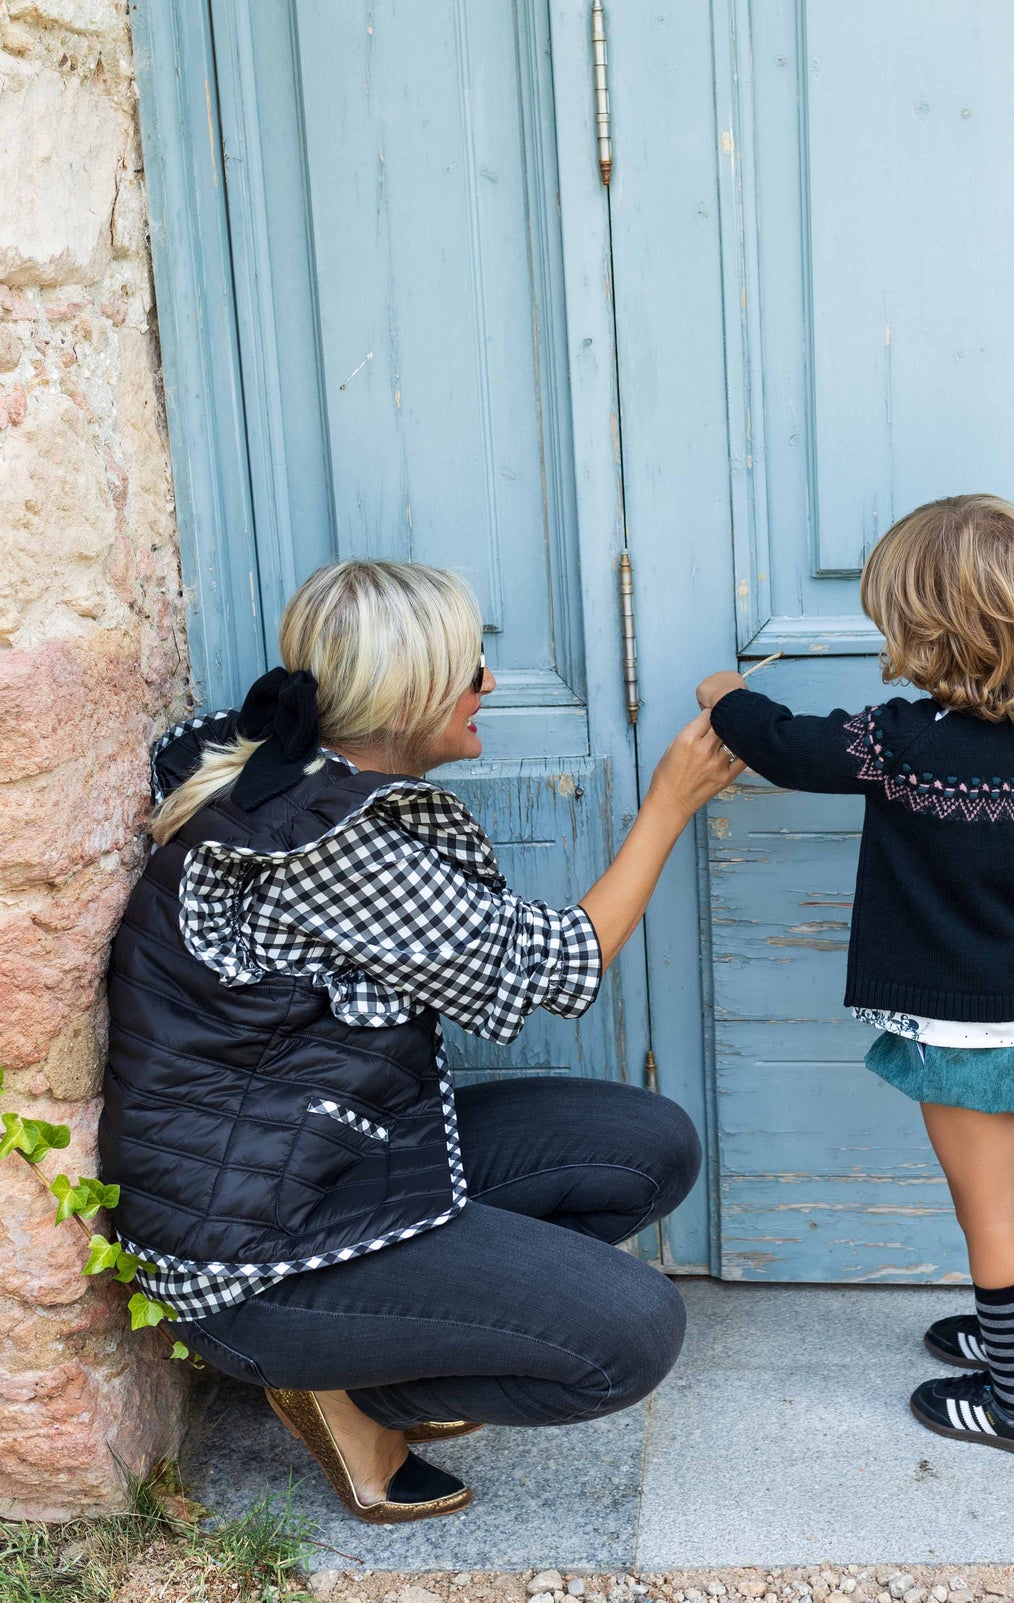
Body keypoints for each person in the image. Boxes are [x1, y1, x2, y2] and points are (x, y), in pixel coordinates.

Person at [102, 559, 742, 1524]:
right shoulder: (329, 846)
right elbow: (553, 967)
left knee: (645, 1148)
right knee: (632, 1335)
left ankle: (390, 1340)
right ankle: (358, 1391)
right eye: (470, 668)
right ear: (403, 698)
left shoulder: (272, 757)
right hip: (254, 1252)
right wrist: (669, 805)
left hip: (323, 1159)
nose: (489, 684)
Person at [698, 494, 1014, 1457]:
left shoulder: (904, 741)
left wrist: (724, 696)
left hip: (964, 1036)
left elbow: (787, 747)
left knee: (984, 1210)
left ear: (921, 628)